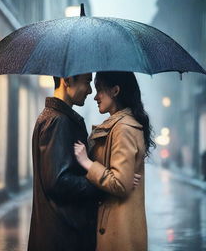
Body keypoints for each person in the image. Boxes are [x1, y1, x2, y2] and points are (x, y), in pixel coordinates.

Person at [28, 73, 141, 251]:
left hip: (60, 234)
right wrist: (107, 184)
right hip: (64, 235)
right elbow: (59, 182)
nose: (89, 91)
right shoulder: (58, 121)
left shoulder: (55, 118)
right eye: (87, 82)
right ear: (67, 80)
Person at [74, 71, 156, 251]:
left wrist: (87, 162)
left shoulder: (123, 129)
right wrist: (118, 176)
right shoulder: (118, 126)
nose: (95, 97)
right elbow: (121, 179)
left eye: (99, 90)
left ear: (116, 90)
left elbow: (120, 183)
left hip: (119, 233)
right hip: (117, 229)